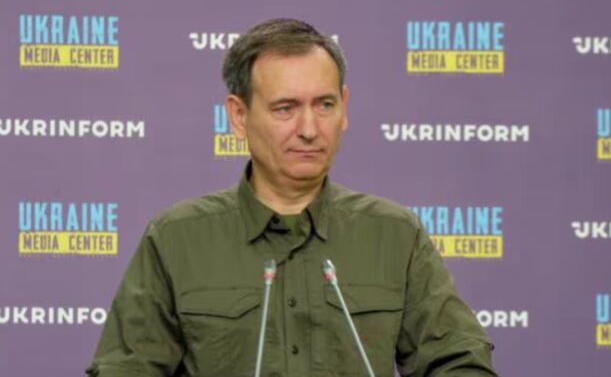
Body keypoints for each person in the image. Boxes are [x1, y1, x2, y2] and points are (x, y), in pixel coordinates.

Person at [86, 19, 498, 377]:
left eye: (325, 105)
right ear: (238, 116)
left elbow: (459, 363)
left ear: (345, 107)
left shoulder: (395, 235)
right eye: (285, 108)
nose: (309, 129)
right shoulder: (176, 239)